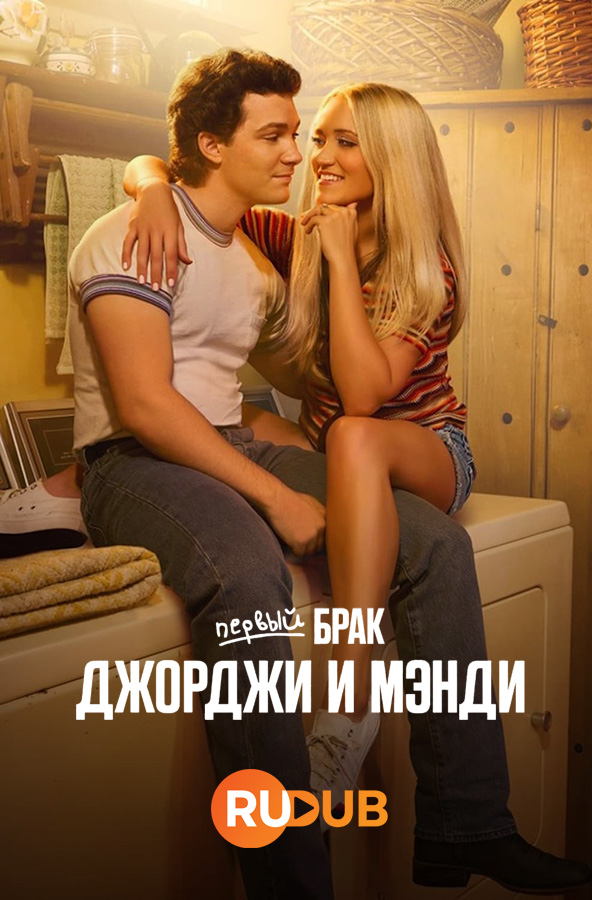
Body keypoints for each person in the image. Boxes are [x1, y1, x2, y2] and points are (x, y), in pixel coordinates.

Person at [2, 49, 592, 897]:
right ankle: (293, 881)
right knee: (248, 575)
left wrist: (278, 455)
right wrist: (149, 184)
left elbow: (298, 387)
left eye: (312, 136)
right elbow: (146, 405)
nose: (301, 155)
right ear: (215, 145)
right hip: (139, 458)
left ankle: (467, 822)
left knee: (436, 545)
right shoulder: (139, 235)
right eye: (283, 135)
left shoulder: (266, 251)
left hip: (342, 444)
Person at [123, 83, 473, 818]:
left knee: (353, 434)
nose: (320, 157)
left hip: (430, 453)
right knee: (226, 416)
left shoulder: (423, 266)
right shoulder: (297, 234)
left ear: (392, 159)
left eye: (345, 142)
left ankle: (350, 697)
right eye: (319, 139)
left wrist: (341, 260)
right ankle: (68, 487)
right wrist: (152, 191)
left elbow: (363, 399)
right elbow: (178, 178)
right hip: (337, 451)